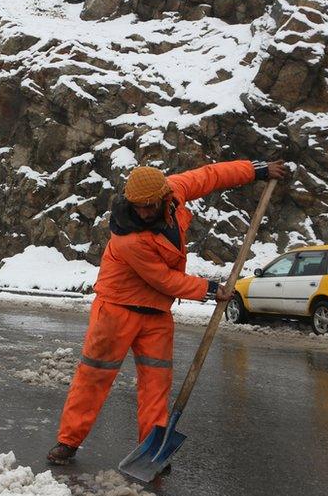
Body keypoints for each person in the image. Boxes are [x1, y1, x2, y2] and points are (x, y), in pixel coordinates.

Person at [46, 159, 289, 468]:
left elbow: (210, 175)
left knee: (156, 383)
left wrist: (257, 171)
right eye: (138, 207)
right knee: (94, 376)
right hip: (116, 310)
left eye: (149, 206)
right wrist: (210, 289)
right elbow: (163, 279)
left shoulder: (174, 191)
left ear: (163, 198)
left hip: (156, 313)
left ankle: (151, 448)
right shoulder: (129, 239)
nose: (143, 213)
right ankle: (69, 441)